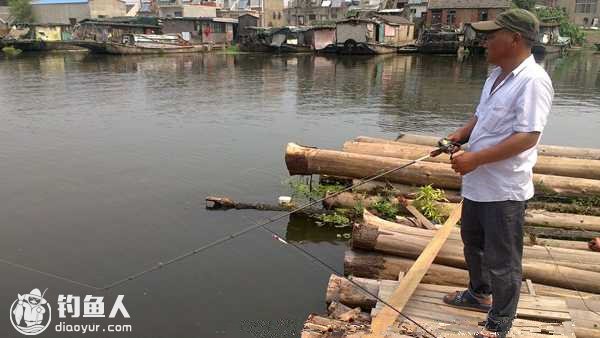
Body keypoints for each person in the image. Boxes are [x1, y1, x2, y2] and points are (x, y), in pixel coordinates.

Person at [440, 9, 554, 338]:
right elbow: (481, 117)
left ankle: (499, 323)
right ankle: (478, 294)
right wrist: (458, 136)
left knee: (503, 260)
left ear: (515, 39)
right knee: (472, 244)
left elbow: (528, 136)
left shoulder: (533, 81)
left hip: (504, 190)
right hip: (477, 184)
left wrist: (475, 159)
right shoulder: (496, 75)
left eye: (493, 35)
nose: (485, 40)